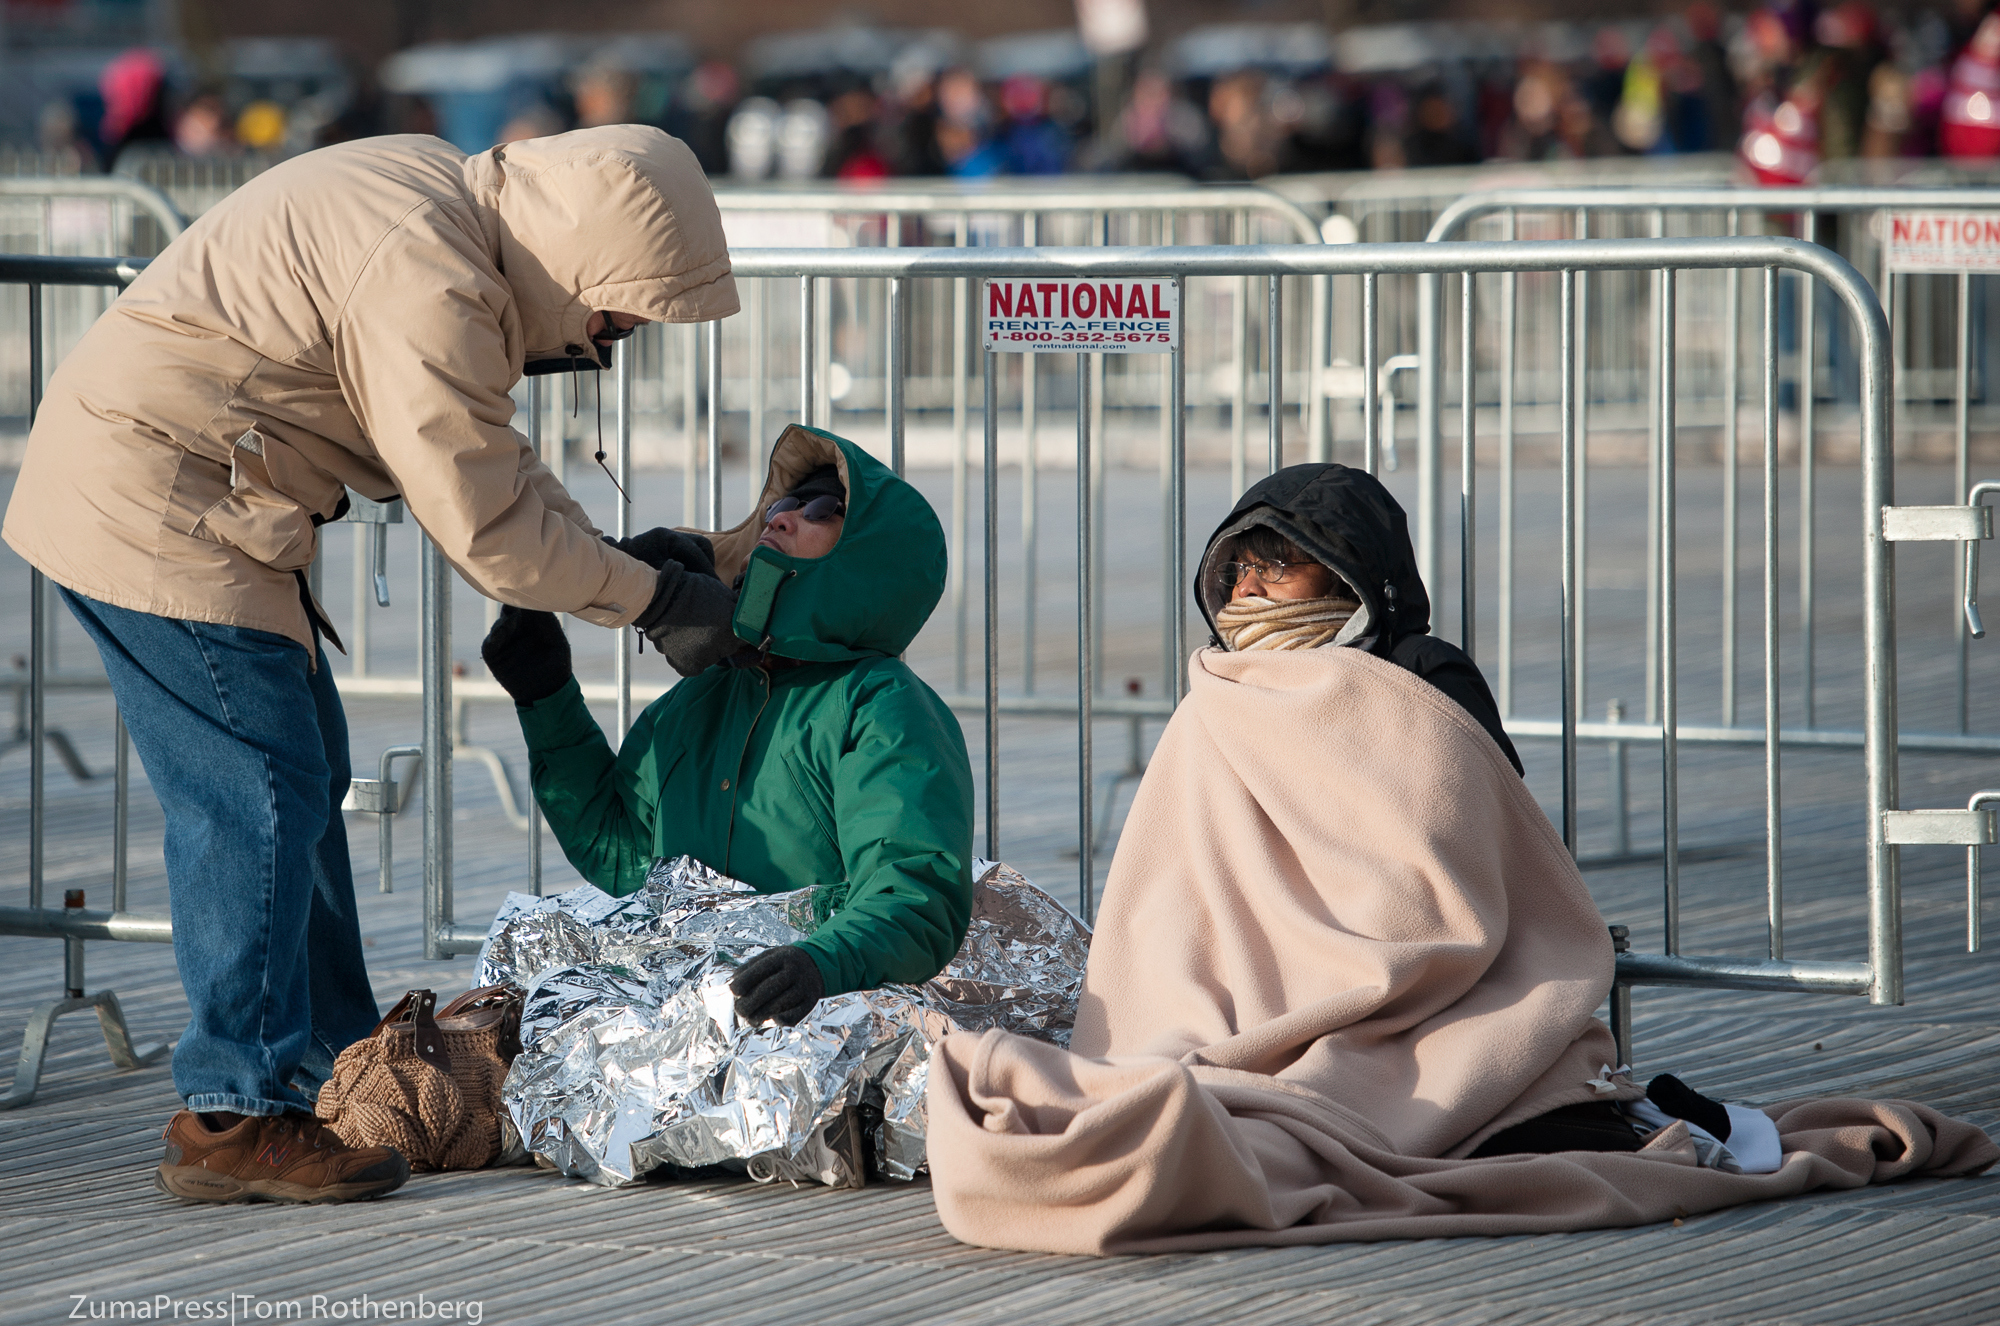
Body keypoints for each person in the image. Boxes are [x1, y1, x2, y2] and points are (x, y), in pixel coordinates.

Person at [2, 125, 739, 1204]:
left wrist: (615, 562)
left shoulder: (447, 211)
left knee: (298, 779)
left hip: (195, 492)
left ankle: (338, 1065)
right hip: (163, 504)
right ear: (581, 260)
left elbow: (492, 461)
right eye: (623, 308)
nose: (618, 335)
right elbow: (483, 523)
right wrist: (653, 601)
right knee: (255, 798)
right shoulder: (429, 273)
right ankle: (233, 1114)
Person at [480, 424, 976, 1028]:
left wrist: (822, 963)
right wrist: (546, 694)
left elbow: (914, 893)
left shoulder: (881, 706)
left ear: (870, 557)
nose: (783, 517)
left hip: (810, 1019)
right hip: (683, 1019)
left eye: (823, 508)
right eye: (782, 503)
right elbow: (622, 856)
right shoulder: (701, 697)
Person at [1198, 463, 1522, 774]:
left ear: (1341, 575)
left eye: (1273, 567)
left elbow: (1481, 808)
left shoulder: (1421, 675)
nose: (1246, 589)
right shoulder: (1214, 688)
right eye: (1238, 569)